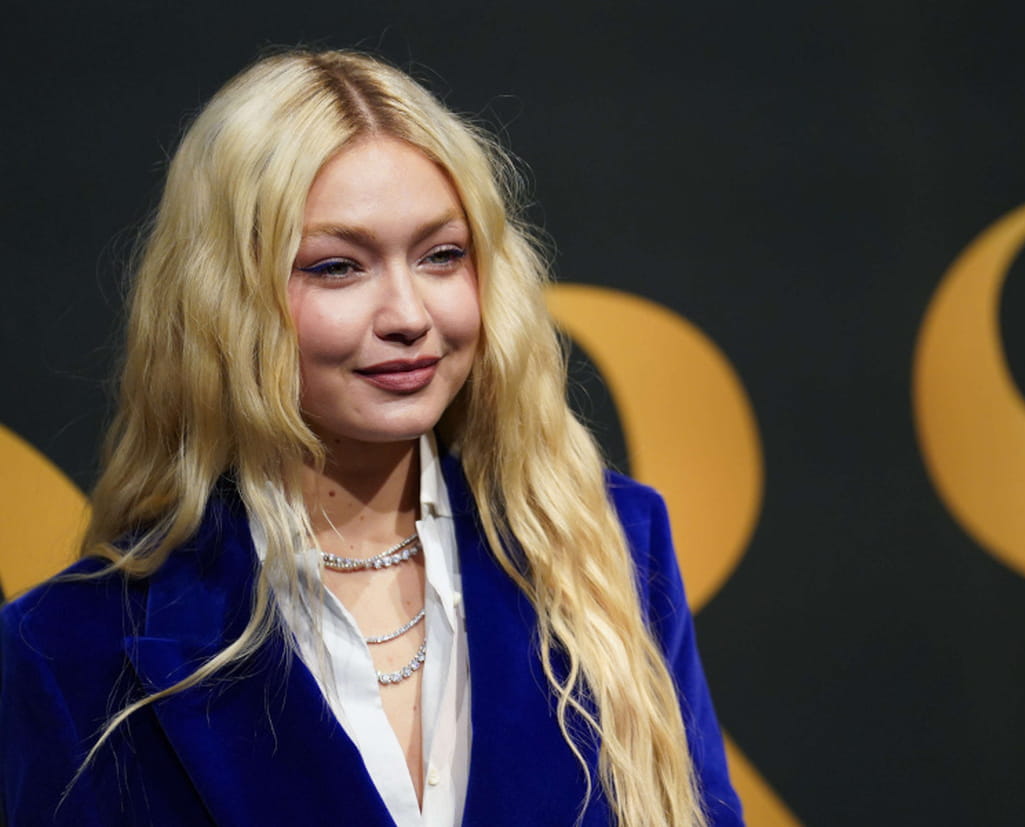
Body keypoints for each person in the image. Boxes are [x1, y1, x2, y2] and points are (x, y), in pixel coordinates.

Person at [0, 50, 742, 826]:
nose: (408, 315)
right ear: (223, 297)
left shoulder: (610, 548)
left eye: (441, 256)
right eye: (338, 267)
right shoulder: (70, 648)